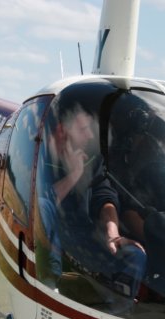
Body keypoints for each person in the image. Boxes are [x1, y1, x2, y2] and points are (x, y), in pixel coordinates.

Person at [37, 101, 146, 301]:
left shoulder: (92, 161)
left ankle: (118, 305)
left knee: (135, 254)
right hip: (50, 239)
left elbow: (105, 198)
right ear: (62, 130)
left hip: (82, 238)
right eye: (83, 130)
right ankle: (50, 287)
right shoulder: (40, 159)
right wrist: (74, 175)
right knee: (42, 207)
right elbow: (41, 204)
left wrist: (113, 233)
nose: (89, 136)